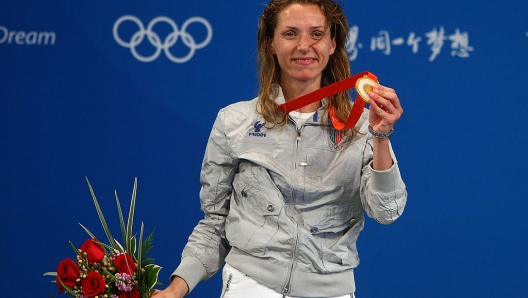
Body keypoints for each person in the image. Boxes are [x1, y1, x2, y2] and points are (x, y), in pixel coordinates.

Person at [153, 0, 407, 297]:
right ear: (270, 43)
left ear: (332, 44)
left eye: (316, 34)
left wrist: (380, 136)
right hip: (250, 286)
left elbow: (386, 211)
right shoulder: (234, 121)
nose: (304, 45)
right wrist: (177, 287)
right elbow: (215, 222)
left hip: (331, 290)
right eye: (290, 34)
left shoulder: (362, 124)